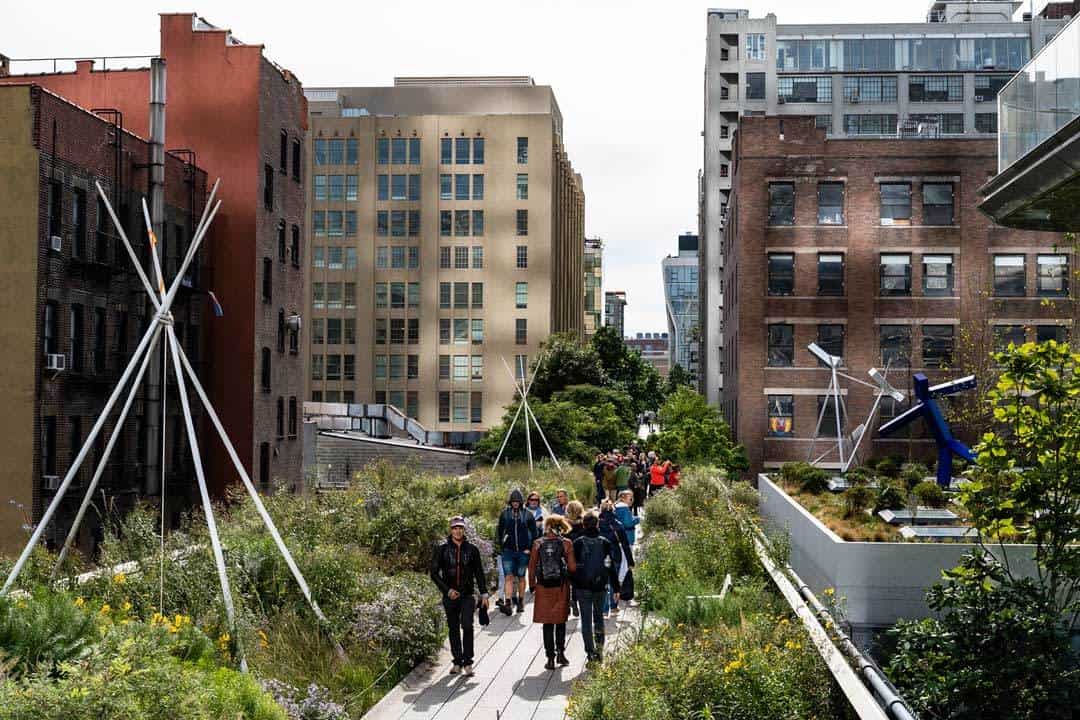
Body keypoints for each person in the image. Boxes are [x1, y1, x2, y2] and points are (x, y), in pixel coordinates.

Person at [430, 516, 489, 677]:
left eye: (460, 528)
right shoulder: (441, 549)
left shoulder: (472, 549)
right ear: (451, 530)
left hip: (467, 595)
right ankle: (457, 661)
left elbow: (479, 573)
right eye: (455, 528)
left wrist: (484, 594)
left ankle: (468, 662)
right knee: (453, 628)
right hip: (450, 595)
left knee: (468, 626)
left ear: (464, 530)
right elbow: (434, 573)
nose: (458, 531)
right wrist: (447, 590)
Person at [571, 511, 621, 664]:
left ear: (584, 524)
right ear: (598, 524)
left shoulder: (578, 542)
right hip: (600, 585)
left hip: (582, 586)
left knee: (586, 621)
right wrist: (616, 588)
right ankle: (599, 651)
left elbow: (573, 568)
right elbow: (609, 565)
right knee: (598, 618)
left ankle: (590, 653)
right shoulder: (605, 542)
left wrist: (573, 592)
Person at [529, 515, 577, 670]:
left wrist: (532, 585)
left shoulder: (537, 543)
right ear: (561, 527)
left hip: (543, 587)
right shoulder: (566, 543)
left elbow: (531, 567)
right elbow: (572, 568)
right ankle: (561, 654)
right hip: (561, 587)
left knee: (547, 623)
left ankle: (549, 658)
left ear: (546, 526)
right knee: (560, 621)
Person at [497, 488, 538, 615]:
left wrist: (529, 549)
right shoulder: (505, 514)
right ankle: (508, 602)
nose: (515, 503)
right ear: (510, 502)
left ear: (521, 502)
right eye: (513, 501)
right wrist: (501, 547)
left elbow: (534, 533)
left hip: (522, 551)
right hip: (508, 551)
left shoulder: (528, 515)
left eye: (517, 501)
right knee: (508, 576)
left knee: (521, 576)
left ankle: (520, 601)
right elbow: (499, 531)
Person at [598, 499, 633, 615]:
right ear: (613, 510)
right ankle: (613, 607)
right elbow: (625, 545)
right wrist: (630, 561)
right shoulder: (618, 525)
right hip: (615, 554)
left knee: (603, 582)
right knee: (614, 581)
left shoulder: (597, 524)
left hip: (601, 555)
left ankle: (603, 609)